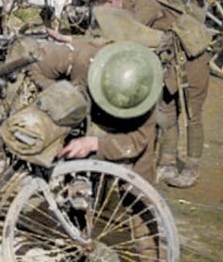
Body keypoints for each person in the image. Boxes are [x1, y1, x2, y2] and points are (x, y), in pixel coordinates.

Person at [80, 0, 210, 188]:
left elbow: (129, 35)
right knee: (166, 114)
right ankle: (167, 163)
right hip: (170, 65)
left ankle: (192, 168)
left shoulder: (144, 5)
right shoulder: (130, 11)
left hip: (192, 63)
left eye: (103, 9)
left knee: (192, 115)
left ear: (111, 2)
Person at [28, 39, 161, 183]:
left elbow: (137, 140)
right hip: (80, 115)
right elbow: (36, 70)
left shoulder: (144, 92)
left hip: (124, 129)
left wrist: (95, 143)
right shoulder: (78, 59)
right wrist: (61, 93)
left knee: (138, 185)